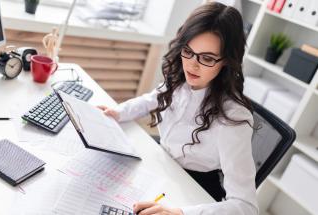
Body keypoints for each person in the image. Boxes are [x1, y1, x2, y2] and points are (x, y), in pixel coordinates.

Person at [98, 2, 258, 215]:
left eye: (207, 58)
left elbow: (246, 207)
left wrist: (181, 213)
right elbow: (150, 99)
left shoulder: (234, 118)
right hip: (162, 165)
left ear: (227, 62)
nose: (192, 65)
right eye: (188, 51)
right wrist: (118, 112)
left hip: (194, 189)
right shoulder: (180, 80)